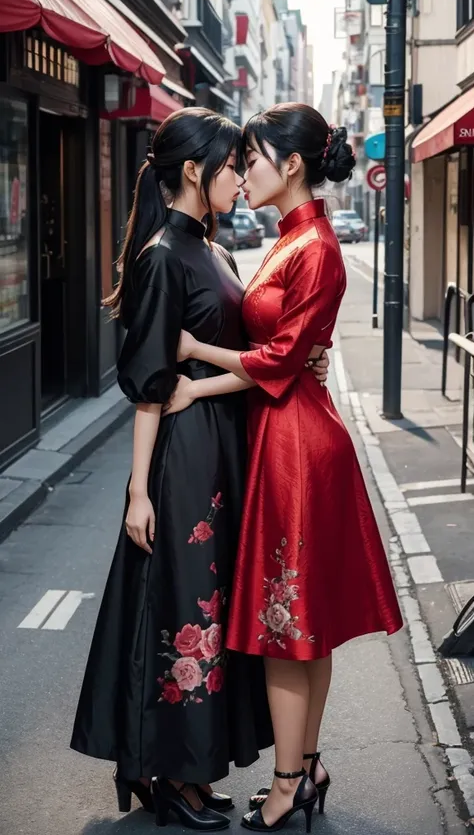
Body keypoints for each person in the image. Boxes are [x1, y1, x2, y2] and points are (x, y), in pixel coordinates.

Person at [70, 107, 329, 832]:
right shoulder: (162, 254)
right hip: (184, 455)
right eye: (230, 165)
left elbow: (256, 342)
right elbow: (152, 384)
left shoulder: (211, 248)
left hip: (226, 447)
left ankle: (189, 767)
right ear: (193, 171)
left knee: (212, 608)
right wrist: (136, 490)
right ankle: (173, 771)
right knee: (187, 609)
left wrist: (303, 352)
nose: (240, 175)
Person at [165, 103, 404, 833]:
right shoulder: (292, 240)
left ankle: (288, 780)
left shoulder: (314, 247)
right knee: (300, 623)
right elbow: (291, 347)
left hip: (296, 445)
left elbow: (280, 357)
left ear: (291, 164)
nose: (245, 171)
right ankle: (303, 768)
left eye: (254, 157)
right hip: (287, 434)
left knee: (285, 624)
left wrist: (198, 362)